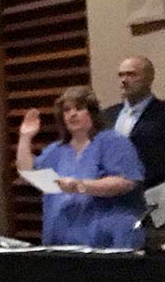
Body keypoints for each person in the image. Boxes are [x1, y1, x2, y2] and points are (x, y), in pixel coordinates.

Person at [17, 85, 146, 249]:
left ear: (92, 112)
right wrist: (25, 137)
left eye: (79, 108)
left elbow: (125, 181)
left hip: (108, 239)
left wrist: (81, 186)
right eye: (67, 110)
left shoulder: (113, 142)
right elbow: (26, 172)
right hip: (62, 240)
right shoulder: (56, 150)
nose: (72, 114)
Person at [111, 56, 165, 188]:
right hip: (112, 199)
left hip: (153, 196)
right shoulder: (107, 116)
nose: (124, 80)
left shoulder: (162, 113)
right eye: (121, 75)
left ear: (149, 78)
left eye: (131, 74)